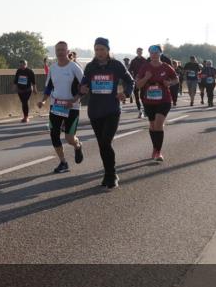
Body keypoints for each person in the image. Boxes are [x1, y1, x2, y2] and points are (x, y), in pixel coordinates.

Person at [79, 37, 133, 188]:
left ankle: (111, 174)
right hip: (95, 111)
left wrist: (126, 93)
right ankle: (108, 173)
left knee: (106, 142)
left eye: (102, 49)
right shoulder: (90, 67)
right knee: (102, 145)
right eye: (97, 49)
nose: (99, 52)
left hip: (112, 110)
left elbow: (130, 81)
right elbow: (83, 84)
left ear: (108, 50)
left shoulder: (116, 65)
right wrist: (82, 89)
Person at [36, 41, 85, 175]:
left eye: (63, 50)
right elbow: (49, 87)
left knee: (69, 138)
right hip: (56, 105)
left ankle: (77, 145)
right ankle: (63, 162)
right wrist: (43, 101)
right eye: (58, 50)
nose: (60, 52)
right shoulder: (53, 68)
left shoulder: (74, 67)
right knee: (54, 135)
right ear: (55, 52)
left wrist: (74, 100)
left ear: (67, 51)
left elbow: (85, 86)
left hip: (72, 107)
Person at [135, 45, 179, 162]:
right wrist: (146, 78)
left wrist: (169, 83)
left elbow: (176, 79)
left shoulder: (166, 67)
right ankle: (155, 148)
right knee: (152, 125)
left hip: (164, 100)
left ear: (160, 53)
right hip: (148, 100)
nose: (154, 55)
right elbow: (138, 85)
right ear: (149, 54)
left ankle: (158, 152)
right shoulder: (145, 67)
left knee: (158, 124)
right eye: (151, 53)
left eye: (156, 53)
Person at [14, 59, 37, 123]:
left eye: (23, 64)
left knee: (25, 102)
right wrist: (15, 87)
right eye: (20, 65)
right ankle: (25, 116)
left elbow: (33, 81)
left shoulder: (30, 71)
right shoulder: (18, 71)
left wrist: (34, 89)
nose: (22, 66)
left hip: (28, 89)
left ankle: (26, 117)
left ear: (26, 64)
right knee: (23, 103)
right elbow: (16, 79)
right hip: (20, 90)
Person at [128, 47, 148, 117]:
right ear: (137, 52)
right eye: (138, 51)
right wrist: (132, 77)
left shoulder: (145, 60)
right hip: (136, 80)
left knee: (143, 96)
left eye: (141, 51)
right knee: (136, 96)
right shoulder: (133, 61)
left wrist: (145, 78)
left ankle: (145, 110)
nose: (139, 52)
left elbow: (148, 70)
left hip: (143, 80)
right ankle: (140, 111)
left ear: (142, 52)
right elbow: (129, 70)